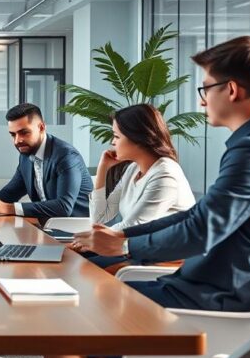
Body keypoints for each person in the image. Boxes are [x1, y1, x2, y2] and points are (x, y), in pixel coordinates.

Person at [6, 36, 250, 358]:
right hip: (206, 284)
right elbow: (200, 215)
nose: (201, 101)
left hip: (215, 297)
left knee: (58, 328)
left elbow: (201, 231)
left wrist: (128, 243)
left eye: (205, 89)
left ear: (230, 90)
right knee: (62, 323)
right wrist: (123, 240)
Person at [82, 104, 196, 272]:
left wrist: (92, 239)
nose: (112, 142)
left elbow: (134, 225)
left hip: (163, 257)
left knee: (85, 266)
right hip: (133, 248)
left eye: (116, 136)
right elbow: (101, 219)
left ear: (137, 138)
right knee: (78, 260)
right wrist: (102, 169)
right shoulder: (133, 169)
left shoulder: (166, 173)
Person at [0, 103, 92, 219]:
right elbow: (10, 193)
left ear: (41, 128)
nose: (17, 141)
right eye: (13, 135)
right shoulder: (26, 155)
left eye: (24, 133)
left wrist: (8, 208)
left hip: (76, 230)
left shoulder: (66, 156)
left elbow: (64, 207)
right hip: (44, 225)